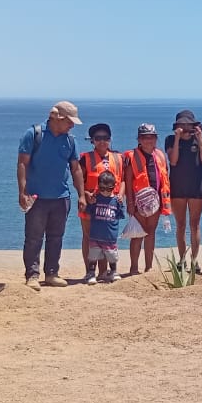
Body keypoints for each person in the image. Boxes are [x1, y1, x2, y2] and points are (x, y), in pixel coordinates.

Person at [17, 101, 85, 290]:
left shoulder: (70, 141)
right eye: (69, 122)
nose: (71, 126)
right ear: (57, 118)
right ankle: (32, 275)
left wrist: (81, 195)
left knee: (56, 237)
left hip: (61, 197)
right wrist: (22, 192)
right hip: (36, 197)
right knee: (33, 237)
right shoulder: (34, 134)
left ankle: (52, 273)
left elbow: (76, 169)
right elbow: (22, 163)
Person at [77, 122, 125, 284]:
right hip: (91, 204)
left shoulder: (118, 157)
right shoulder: (86, 158)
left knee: (106, 237)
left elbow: (123, 179)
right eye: (98, 138)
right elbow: (78, 180)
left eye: (106, 138)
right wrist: (85, 194)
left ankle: (104, 272)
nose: (102, 141)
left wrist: (121, 195)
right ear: (92, 141)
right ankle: (89, 272)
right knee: (89, 237)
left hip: (110, 205)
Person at [123, 123, 171, 275]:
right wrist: (130, 203)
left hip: (155, 203)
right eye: (145, 137)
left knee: (151, 233)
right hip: (138, 203)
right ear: (139, 139)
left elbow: (165, 177)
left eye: (151, 137)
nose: (148, 140)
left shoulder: (161, 155)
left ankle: (149, 267)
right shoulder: (132, 156)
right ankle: (134, 268)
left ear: (156, 138)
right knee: (137, 235)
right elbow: (128, 180)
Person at [164, 110, 202, 270]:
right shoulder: (170, 139)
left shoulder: (199, 140)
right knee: (181, 224)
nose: (185, 127)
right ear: (177, 126)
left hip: (196, 186)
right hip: (177, 186)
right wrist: (177, 138)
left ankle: (194, 259)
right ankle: (182, 259)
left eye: (188, 124)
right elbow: (173, 161)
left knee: (195, 224)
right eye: (182, 124)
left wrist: (200, 139)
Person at [85, 170, 126, 283]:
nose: (105, 192)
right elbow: (89, 211)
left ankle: (113, 272)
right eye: (102, 189)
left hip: (110, 237)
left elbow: (122, 215)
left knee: (112, 256)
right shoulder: (96, 198)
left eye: (109, 189)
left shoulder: (116, 201)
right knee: (93, 256)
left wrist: (121, 202)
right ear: (98, 186)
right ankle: (91, 273)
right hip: (95, 235)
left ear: (114, 187)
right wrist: (91, 202)